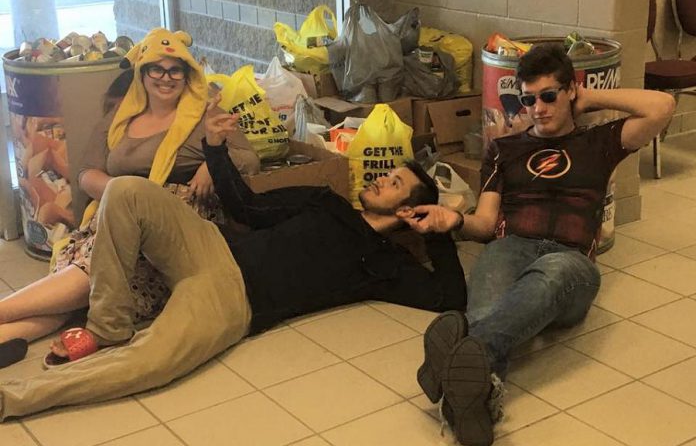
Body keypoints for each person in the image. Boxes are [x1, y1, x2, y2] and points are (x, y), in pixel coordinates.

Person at [0, 93, 466, 418]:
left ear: (410, 209)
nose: (382, 179)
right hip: (209, 244)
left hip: (232, 302)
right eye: (387, 175)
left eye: (396, 183)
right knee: (126, 191)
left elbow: (448, 297)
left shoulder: (384, 263)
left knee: (149, 365)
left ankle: (13, 398)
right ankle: (107, 325)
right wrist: (215, 149)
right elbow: (248, 206)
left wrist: (444, 232)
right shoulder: (328, 201)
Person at [409, 43, 676, 446]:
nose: (538, 107)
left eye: (550, 95)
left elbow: (661, 106)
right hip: (511, 246)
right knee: (485, 306)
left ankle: (458, 355)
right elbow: (484, 224)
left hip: (570, 263)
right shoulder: (504, 149)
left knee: (551, 273)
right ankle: (475, 403)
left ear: (570, 91)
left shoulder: (598, 143)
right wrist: (454, 220)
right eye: (529, 99)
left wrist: (590, 98)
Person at [0, 28, 260, 368]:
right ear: (142, 73)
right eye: (157, 68)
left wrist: (213, 161)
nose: (165, 78)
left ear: (187, 74)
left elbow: (250, 159)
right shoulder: (121, 117)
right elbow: (87, 174)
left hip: (176, 226)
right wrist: (125, 199)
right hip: (116, 214)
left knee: (91, 279)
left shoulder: (204, 114)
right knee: (83, 296)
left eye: (175, 70)